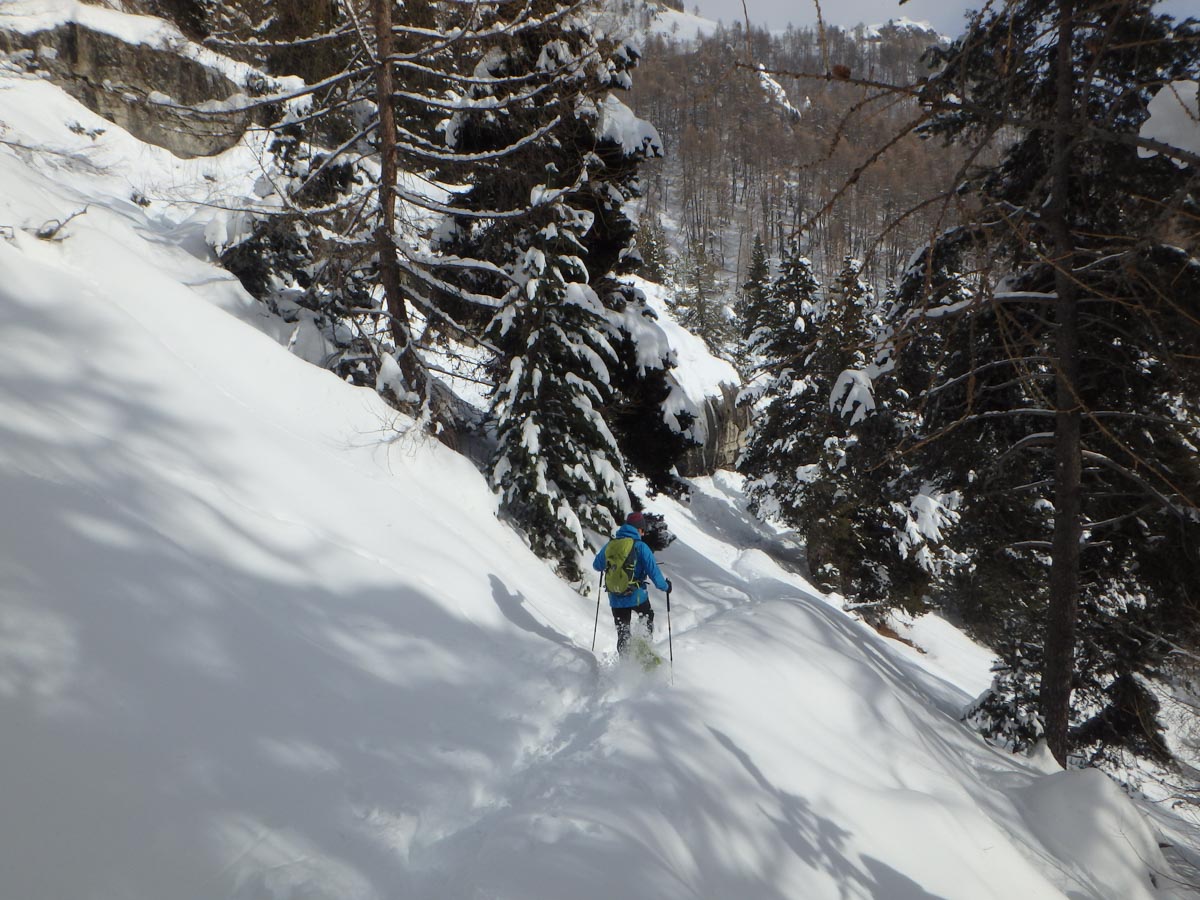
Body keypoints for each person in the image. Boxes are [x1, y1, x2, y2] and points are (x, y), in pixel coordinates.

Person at [593, 511, 671, 657]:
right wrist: (666, 586)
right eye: (642, 530)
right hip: (636, 596)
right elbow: (655, 574)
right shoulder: (640, 547)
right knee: (647, 616)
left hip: (615, 597)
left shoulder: (611, 545)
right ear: (639, 529)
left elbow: (597, 565)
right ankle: (644, 647)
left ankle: (626, 665)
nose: (643, 533)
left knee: (623, 632)